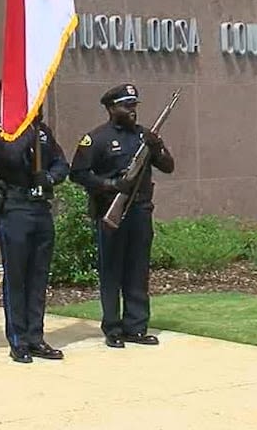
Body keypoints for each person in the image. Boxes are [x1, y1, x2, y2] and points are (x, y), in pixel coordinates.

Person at [69, 83, 175, 349]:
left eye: (134, 106)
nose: (132, 111)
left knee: (137, 271)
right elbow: (78, 173)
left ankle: (136, 327)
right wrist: (111, 186)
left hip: (140, 211)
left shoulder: (144, 137)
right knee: (112, 272)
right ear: (111, 108)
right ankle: (113, 328)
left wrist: (157, 146)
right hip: (110, 214)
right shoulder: (96, 139)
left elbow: (168, 166)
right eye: (126, 106)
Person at [0, 85, 70, 363]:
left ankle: (36, 336)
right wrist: (25, 124)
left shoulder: (42, 131)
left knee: (38, 277)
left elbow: (61, 163)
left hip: (40, 209)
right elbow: (8, 157)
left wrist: (50, 177)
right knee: (17, 277)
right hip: (15, 209)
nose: (38, 103)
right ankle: (18, 340)